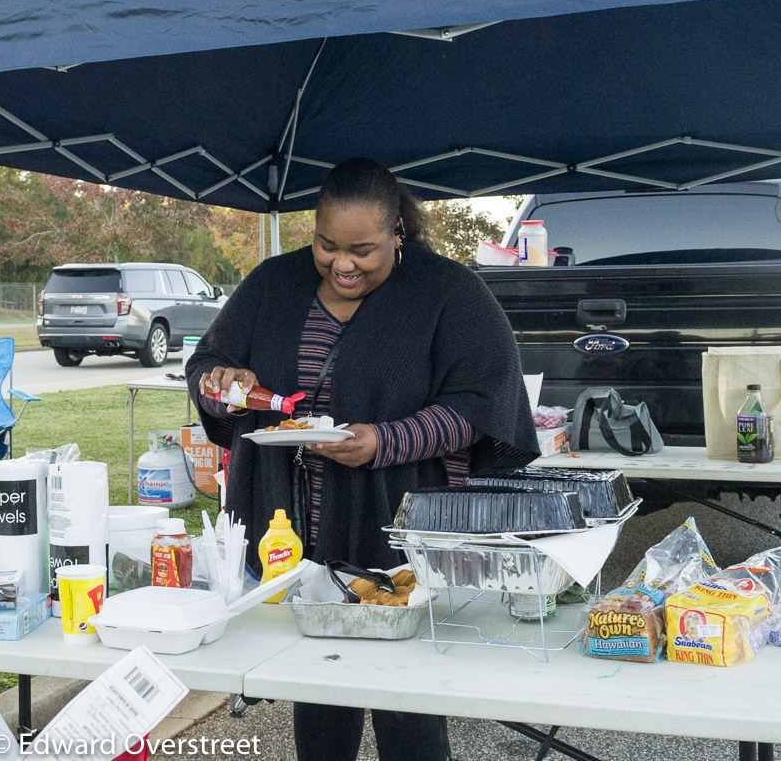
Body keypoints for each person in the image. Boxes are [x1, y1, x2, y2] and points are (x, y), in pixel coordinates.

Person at [186, 157, 539, 761]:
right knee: (318, 695)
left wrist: (384, 441)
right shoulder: (273, 284)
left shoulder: (448, 293)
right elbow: (206, 367)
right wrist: (220, 385)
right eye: (327, 245)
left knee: (409, 708)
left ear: (398, 232)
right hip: (291, 536)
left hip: (401, 537)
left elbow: (481, 406)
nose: (342, 264)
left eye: (363, 250)